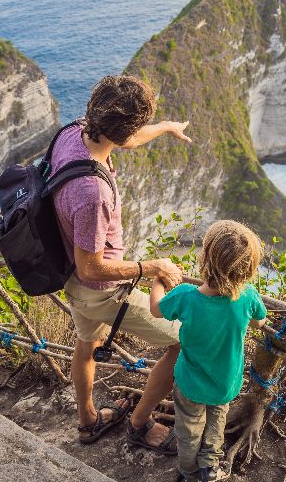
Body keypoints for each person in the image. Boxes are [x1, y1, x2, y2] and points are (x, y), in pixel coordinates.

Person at [48, 74, 192, 453]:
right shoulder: (92, 193)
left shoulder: (74, 132)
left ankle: (88, 421)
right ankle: (141, 425)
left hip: (72, 285)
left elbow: (125, 139)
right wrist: (151, 267)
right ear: (124, 127)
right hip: (100, 291)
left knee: (86, 344)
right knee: (182, 339)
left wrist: (165, 128)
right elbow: (92, 268)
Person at [150, 220, 267, 482]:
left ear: (205, 259)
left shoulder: (186, 296)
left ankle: (188, 472)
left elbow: (156, 309)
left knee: (189, 430)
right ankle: (210, 468)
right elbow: (260, 321)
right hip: (225, 383)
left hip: (190, 383)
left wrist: (158, 281)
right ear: (248, 268)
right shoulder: (248, 296)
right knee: (217, 422)